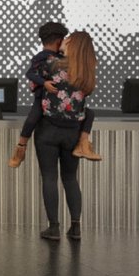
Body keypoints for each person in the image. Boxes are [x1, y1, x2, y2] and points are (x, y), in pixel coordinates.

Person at [32, 30, 97, 241]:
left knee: (49, 177)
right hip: (73, 133)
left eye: (67, 39)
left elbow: (34, 85)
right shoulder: (86, 69)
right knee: (70, 178)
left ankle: (54, 228)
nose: (64, 41)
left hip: (49, 129)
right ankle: (76, 226)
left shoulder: (52, 64)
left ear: (72, 44)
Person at [10, 21, 102, 168]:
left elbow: (31, 83)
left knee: (49, 177)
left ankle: (22, 145)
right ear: (59, 40)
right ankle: (21, 146)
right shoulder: (48, 59)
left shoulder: (58, 62)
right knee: (33, 117)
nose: (66, 41)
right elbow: (31, 75)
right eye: (65, 38)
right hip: (55, 108)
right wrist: (44, 83)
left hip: (51, 124)